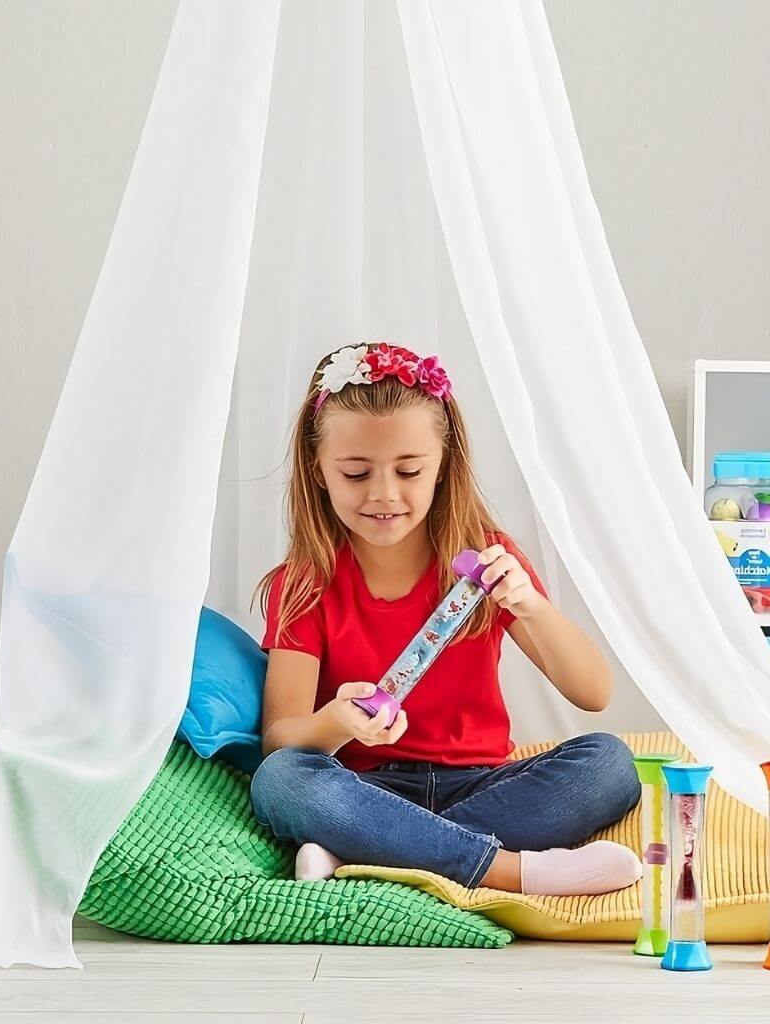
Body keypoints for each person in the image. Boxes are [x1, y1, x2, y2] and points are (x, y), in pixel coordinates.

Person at [250, 343, 641, 895]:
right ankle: (512, 871)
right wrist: (336, 722)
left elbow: (593, 692)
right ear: (318, 470)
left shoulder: (485, 558)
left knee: (609, 763)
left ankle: (368, 855)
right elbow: (280, 739)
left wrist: (528, 603)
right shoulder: (306, 581)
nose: (384, 495)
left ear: (443, 466)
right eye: (356, 473)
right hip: (365, 788)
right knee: (281, 782)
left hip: (483, 785)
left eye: (409, 470)